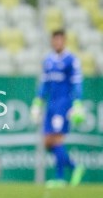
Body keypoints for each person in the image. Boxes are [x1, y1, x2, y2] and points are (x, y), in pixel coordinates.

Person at [30, 29, 85, 188]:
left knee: (57, 139)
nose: (57, 43)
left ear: (64, 41)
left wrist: (77, 103)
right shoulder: (48, 60)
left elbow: (77, 82)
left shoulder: (71, 60)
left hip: (64, 104)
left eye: (60, 40)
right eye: (55, 40)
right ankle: (74, 167)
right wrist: (38, 102)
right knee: (47, 141)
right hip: (51, 104)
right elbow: (44, 84)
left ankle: (60, 178)